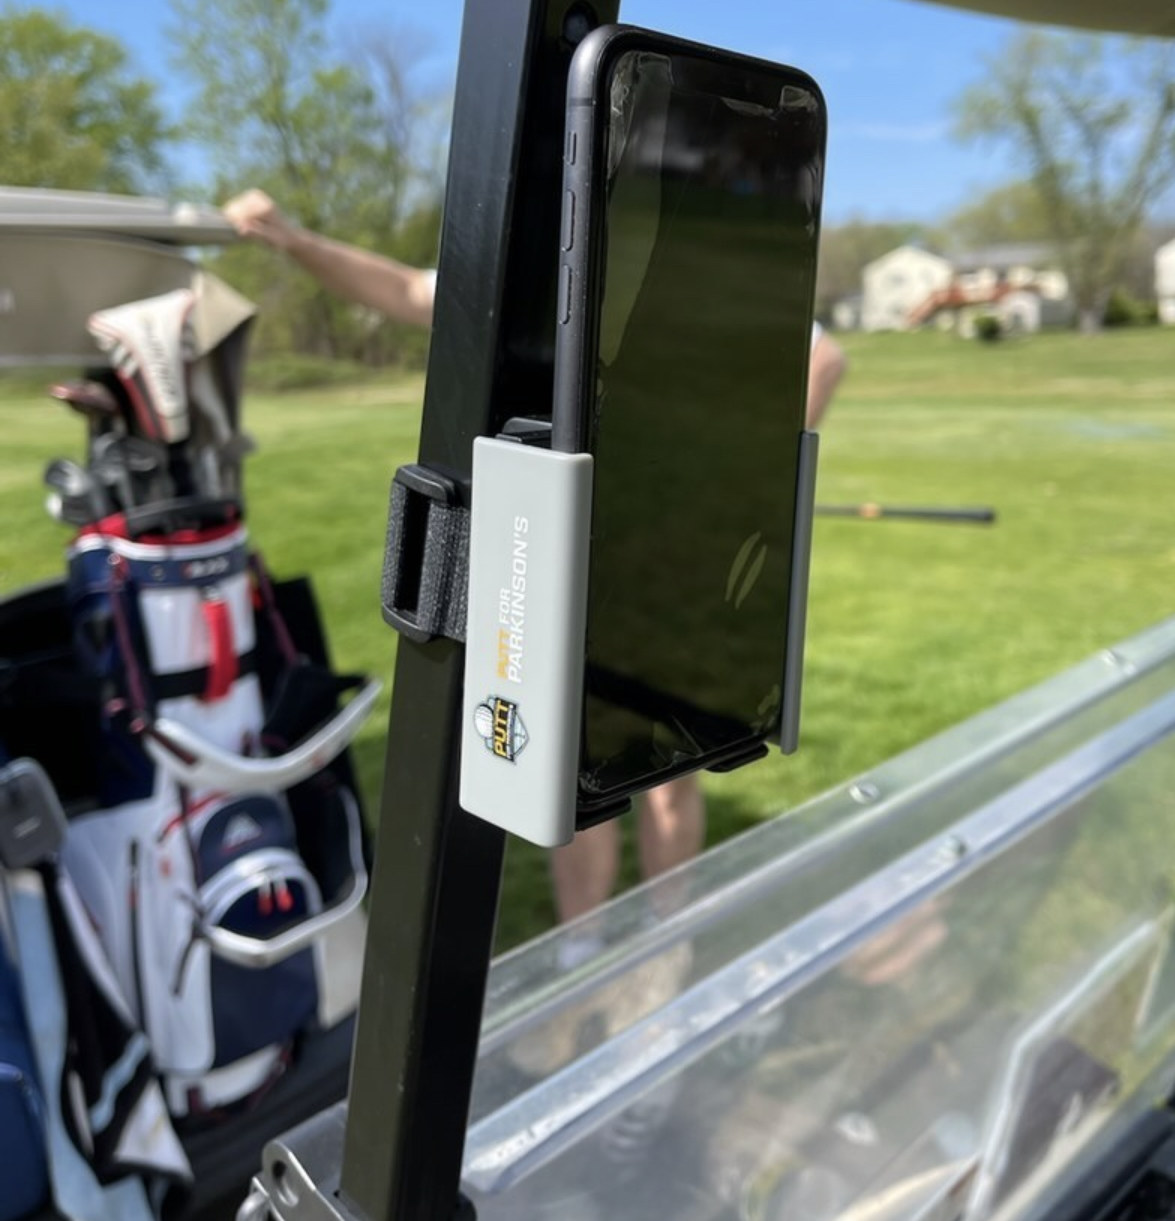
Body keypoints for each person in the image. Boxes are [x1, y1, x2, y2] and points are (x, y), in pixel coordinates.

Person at [223, 188, 847, 923]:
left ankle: (670, 926)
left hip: (675, 567)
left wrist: (745, 473)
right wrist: (294, 239)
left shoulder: (686, 275)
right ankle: (581, 945)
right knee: (569, 762)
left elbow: (822, 356)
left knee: (670, 764)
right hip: (567, 555)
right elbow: (404, 290)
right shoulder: (535, 276)